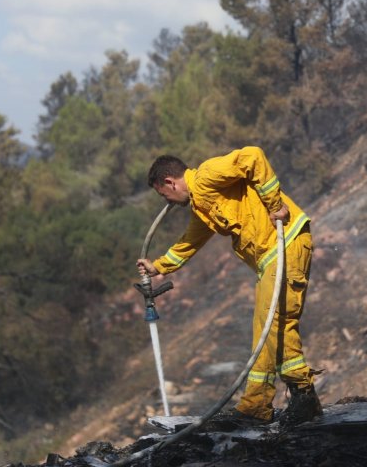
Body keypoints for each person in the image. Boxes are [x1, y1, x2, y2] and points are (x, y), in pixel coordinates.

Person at [136, 146, 321, 426]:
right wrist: (159, 266)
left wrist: (274, 205)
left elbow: (253, 157)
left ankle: (276, 402)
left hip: (286, 243)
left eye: (164, 195)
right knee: (272, 326)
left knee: (271, 325)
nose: (169, 201)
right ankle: (282, 401)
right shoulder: (201, 203)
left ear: (170, 182)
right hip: (269, 258)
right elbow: (192, 240)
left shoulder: (207, 176)